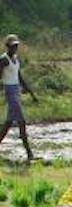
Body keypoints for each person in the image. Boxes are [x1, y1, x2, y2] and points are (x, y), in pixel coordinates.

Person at [0, 34, 37, 162]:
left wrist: (30, 92)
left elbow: (19, 76)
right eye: (12, 46)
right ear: (7, 46)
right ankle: (29, 153)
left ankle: (29, 152)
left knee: (8, 123)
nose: (15, 48)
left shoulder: (16, 58)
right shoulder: (4, 60)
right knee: (21, 121)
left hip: (16, 90)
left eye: (16, 46)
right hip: (10, 91)